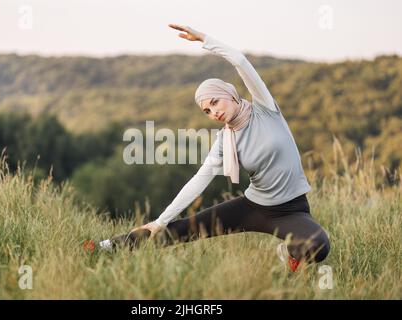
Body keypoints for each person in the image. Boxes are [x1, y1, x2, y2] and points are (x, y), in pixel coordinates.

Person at [96, 24, 330, 272]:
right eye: (207, 110)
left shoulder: (265, 110)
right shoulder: (224, 140)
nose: (214, 112)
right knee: (179, 230)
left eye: (215, 102)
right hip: (253, 207)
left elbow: (240, 60)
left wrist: (205, 39)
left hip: (291, 209)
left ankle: (288, 253)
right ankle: (105, 247)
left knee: (318, 246)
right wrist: (160, 220)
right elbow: (198, 181)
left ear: (229, 94)